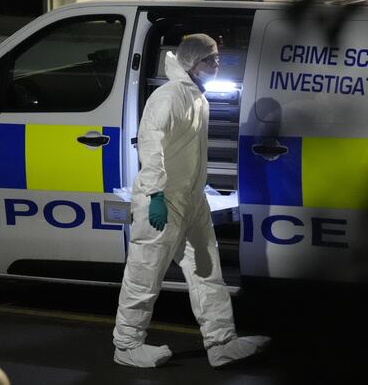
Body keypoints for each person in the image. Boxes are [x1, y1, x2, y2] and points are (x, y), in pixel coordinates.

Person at [113, 33, 271, 368]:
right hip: (164, 200)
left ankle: (221, 343)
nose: (217, 65)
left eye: (217, 58)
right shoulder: (168, 97)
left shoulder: (198, 96)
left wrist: (200, 191)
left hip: (190, 200)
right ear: (191, 61)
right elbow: (150, 146)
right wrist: (155, 195)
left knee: (207, 273)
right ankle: (126, 346)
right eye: (210, 60)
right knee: (145, 273)